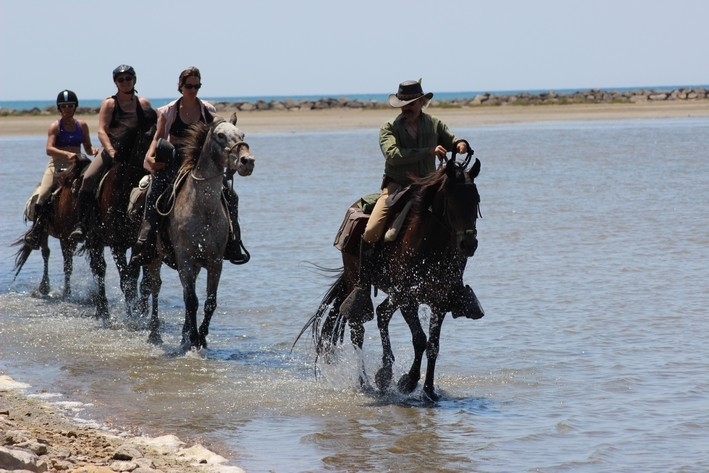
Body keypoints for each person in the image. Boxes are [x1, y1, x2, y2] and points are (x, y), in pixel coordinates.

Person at [342, 79, 479, 320]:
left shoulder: (434, 124)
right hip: (396, 187)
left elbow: (452, 138)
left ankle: (456, 287)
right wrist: (427, 152)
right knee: (373, 228)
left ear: (421, 102)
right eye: (403, 103)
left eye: (412, 103)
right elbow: (393, 155)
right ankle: (362, 285)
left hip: (429, 188)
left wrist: (460, 144)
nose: (407, 107)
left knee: (457, 226)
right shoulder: (388, 128)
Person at [130, 66, 247, 266]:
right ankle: (146, 241)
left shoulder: (208, 111)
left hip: (200, 164)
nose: (193, 89)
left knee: (231, 196)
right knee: (153, 191)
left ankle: (234, 241)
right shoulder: (168, 111)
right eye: (189, 85)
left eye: (196, 86)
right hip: (174, 161)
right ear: (181, 86)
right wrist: (150, 157)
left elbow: (217, 137)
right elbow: (158, 137)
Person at [70, 64, 154, 241]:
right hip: (112, 151)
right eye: (120, 79)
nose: (125, 82)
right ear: (115, 82)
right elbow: (101, 130)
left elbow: (154, 126)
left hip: (137, 154)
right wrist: (111, 151)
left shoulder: (143, 103)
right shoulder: (109, 103)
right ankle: (82, 225)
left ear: (134, 80)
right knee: (88, 178)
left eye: (128, 78)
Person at [24, 90, 99, 248]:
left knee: (93, 187)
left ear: (75, 107)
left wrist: (94, 151)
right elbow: (49, 149)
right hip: (57, 164)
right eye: (64, 106)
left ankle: (92, 224)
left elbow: (87, 147)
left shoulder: (82, 125)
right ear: (59, 108)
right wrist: (66, 153)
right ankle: (36, 230)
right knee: (43, 194)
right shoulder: (55, 126)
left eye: (70, 106)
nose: (67, 109)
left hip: (78, 163)